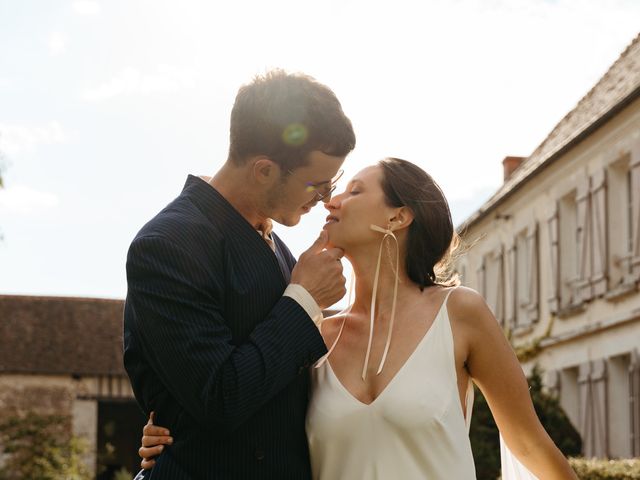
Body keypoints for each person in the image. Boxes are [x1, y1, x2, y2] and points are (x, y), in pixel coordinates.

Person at [140, 158, 578, 479]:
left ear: (398, 216)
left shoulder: (461, 313)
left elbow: (528, 443)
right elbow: (244, 411)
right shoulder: (311, 336)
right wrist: (171, 432)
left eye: (354, 190)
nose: (331, 200)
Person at [123, 69, 356, 479]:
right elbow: (221, 398)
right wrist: (304, 301)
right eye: (317, 185)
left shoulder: (279, 247)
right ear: (264, 170)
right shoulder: (167, 244)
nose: (326, 200)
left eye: (332, 184)